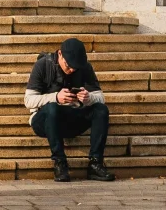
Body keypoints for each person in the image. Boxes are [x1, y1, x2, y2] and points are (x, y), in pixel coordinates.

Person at [24, 38, 115, 183]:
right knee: (52, 107)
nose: (71, 70)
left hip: (72, 118)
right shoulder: (43, 65)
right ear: (60, 54)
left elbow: (101, 98)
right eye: (68, 65)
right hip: (44, 121)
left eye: (75, 67)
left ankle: (95, 163)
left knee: (101, 110)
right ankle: (60, 163)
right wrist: (56, 97)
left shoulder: (84, 67)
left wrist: (89, 98)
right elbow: (29, 101)